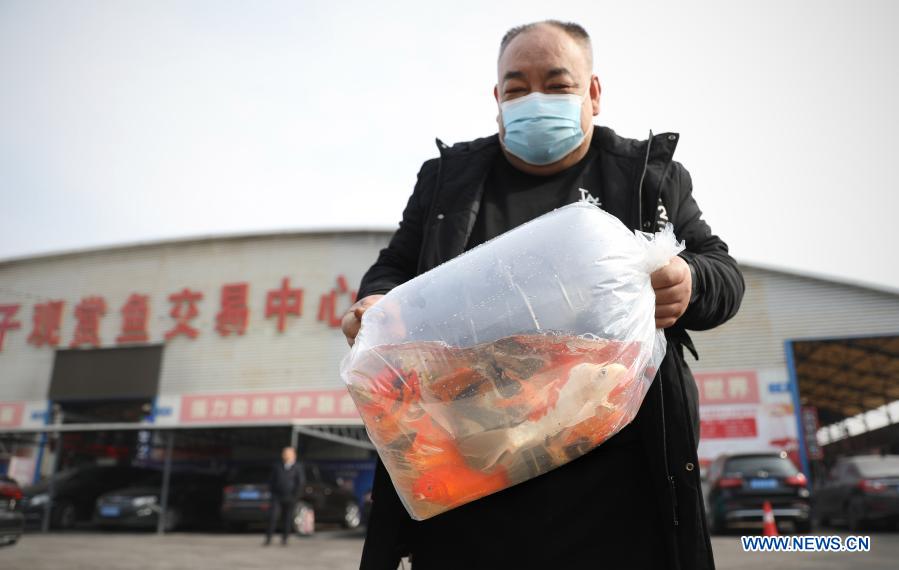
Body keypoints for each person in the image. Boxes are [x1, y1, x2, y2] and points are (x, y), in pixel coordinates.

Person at [342, 20, 744, 570]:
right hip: (470, 478)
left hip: (614, 485)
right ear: (497, 99)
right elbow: (393, 267)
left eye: (557, 84)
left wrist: (689, 280)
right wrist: (374, 304)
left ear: (593, 93)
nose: (535, 99)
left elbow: (723, 272)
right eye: (516, 87)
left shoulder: (647, 178)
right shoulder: (447, 182)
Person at [264, 446, 305, 546]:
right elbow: (271, 481)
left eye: (287, 453)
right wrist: (272, 492)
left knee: (287, 518)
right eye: (284, 453)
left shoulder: (297, 467)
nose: (285, 455)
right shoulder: (277, 466)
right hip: (277, 496)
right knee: (273, 516)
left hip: (290, 497)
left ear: (293, 455)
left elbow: (300, 482)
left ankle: (285, 538)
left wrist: (295, 496)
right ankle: (269, 538)